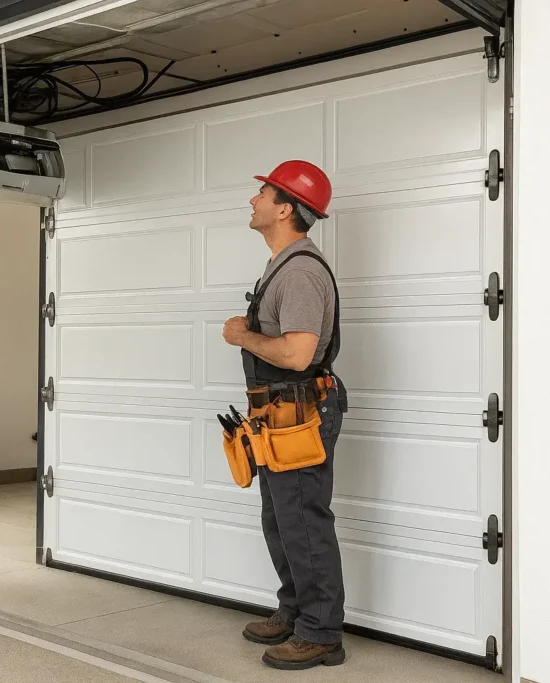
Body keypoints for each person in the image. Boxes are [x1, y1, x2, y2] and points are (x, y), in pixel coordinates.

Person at [221, 160, 348, 670]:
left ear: (285, 207)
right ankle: (295, 610)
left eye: (263, 194)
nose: (253, 201)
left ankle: (322, 634)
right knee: (281, 517)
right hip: (279, 412)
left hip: (301, 408)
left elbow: (297, 354)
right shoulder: (282, 263)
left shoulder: (299, 272)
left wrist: (242, 335)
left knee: (302, 520)